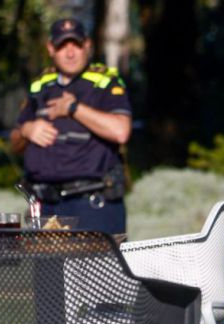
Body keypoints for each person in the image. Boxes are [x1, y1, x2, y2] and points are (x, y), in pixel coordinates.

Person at [10, 17, 132, 235]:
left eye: (75, 44)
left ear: (87, 45)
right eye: (62, 46)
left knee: (95, 270)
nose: (70, 53)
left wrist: (74, 108)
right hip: (45, 207)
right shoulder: (40, 86)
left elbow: (121, 132)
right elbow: (14, 141)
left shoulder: (104, 82)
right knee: (47, 271)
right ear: (50, 49)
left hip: (91, 204)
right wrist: (28, 130)